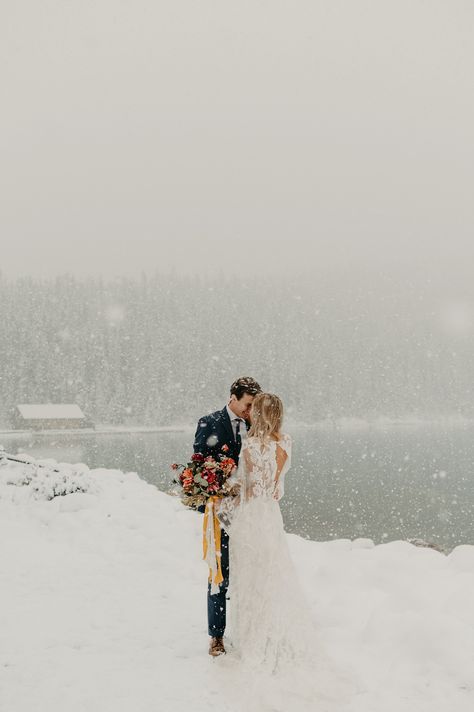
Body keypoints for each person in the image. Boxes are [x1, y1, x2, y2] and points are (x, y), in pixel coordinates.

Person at [220, 392, 315, 671]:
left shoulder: (250, 444)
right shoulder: (286, 442)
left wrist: (228, 498)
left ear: (258, 414)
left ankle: (252, 636)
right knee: (272, 572)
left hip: (251, 516)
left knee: (251, 576)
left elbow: (249, 488)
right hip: (271, 515)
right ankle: (273, 631)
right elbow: (276, 485)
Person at [193, 376, 262, 657]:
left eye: (253, 407)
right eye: (247, 405)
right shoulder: (209, 422)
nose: (249, 411)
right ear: (233, 397)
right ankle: (217, 636)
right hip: (220, 512)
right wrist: (220, 487)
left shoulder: (255, 426)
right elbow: (198, 466)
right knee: (219, 575)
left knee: (250, 572)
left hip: (249, 513)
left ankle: (249, 629)